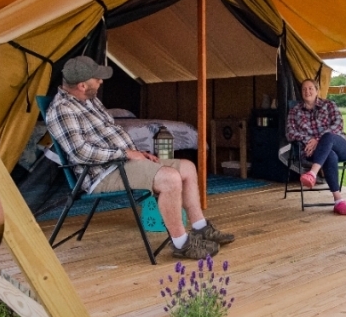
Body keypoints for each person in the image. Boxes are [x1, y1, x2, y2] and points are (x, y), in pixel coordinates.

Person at [45, 56, 234, 259]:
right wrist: (126, 153)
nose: (101, 82)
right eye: (97, 79)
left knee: (187, 167)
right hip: (103, 173)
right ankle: (181, 243)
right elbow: (82, 152)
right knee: (170, 178)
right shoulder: (61, 110)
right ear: (82, 85)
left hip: (123, 162)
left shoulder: (89, 100)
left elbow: (111, 135)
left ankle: (201, 227)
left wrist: (136, 153)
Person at [286, 79, 346, 215]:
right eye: (304, 89)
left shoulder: (329, 105)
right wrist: (308, 140)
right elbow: (290, 133)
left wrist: (318, 140)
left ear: (317, 90)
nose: (307, 91)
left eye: (311, 88)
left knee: (327, 137)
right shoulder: (295, 111)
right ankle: (338, 201)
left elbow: (338, 125)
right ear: (301, 93)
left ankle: (312, 173)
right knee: (329, 155)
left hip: (339, 145)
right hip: (315, 152)